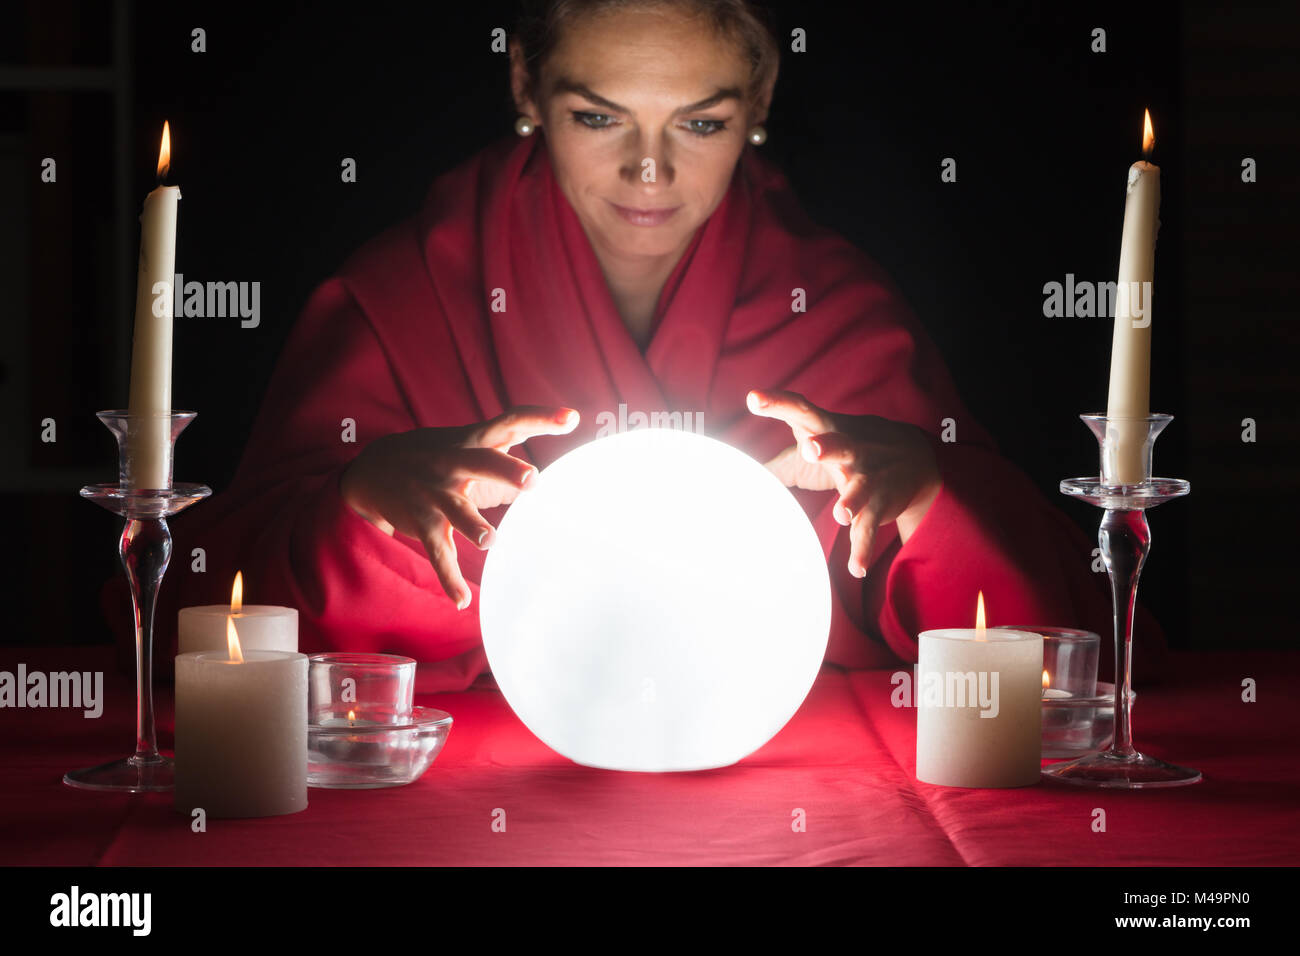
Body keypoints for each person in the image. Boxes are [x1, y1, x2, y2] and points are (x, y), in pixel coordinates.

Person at [103, 0, 1162, 691]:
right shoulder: (400, 293)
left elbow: (1029, 639)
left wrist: (929, 499)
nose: (648, 173)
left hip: (772, 771)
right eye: (600, 117)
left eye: (697, 124)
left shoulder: (832, 301)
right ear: (525, 89)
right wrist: (366, 516)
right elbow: (224, 616)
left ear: (757, 106)